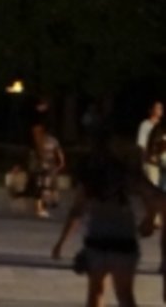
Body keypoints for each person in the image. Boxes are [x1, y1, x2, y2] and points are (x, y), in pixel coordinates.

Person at [52, 129, 166, 307]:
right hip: (123, 241)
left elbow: (77, 210)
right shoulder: (129, 176)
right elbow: (158, 198)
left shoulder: (92, 175)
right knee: (124, 294)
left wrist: (61, 243)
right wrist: (150, 218)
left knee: (96, 292)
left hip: (97, 239)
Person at [30, 103, 66, 218]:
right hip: (42, 162)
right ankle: (40, 207)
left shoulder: (49, 139)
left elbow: (57, 151)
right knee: (42, 185)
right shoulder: (38, 134)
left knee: (45, 184)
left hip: (47, 162)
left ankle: (44, 205)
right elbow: (38, 149)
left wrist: (60, 161)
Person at [138, 101, 164, 187]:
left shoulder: (162, 127)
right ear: (151, 110)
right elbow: (141, 145)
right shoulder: (145, 125)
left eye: (161, 108)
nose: (160, 110)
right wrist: (147, 158)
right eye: (158, 108)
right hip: (150, 163)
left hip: (161, 164)